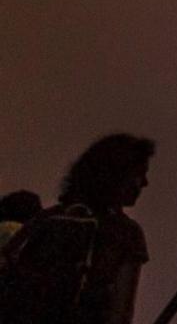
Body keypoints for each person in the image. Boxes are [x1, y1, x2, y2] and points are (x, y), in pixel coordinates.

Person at [0, 134, 153, 324]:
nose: (145, 182)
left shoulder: (46, 219)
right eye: (140, 174)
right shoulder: (126, 234)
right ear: (119, 174)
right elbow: (120, 312)